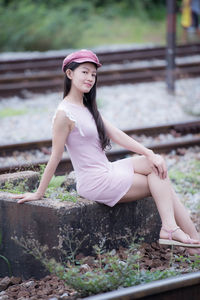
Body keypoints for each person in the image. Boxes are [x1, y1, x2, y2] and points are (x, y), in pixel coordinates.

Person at [12, 49, 200, 255]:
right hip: (95, 181)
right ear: (69, 74)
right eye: (84, 72)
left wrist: (149, 152)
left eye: (93, 74)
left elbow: (118, 135)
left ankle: (185, 237)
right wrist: (39, 193)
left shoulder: (87, 107)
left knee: (156, 165)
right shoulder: (64, 114)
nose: (90, 78)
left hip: (107, 169)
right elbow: (55, 156)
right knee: (161, 183)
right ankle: (182, 236)